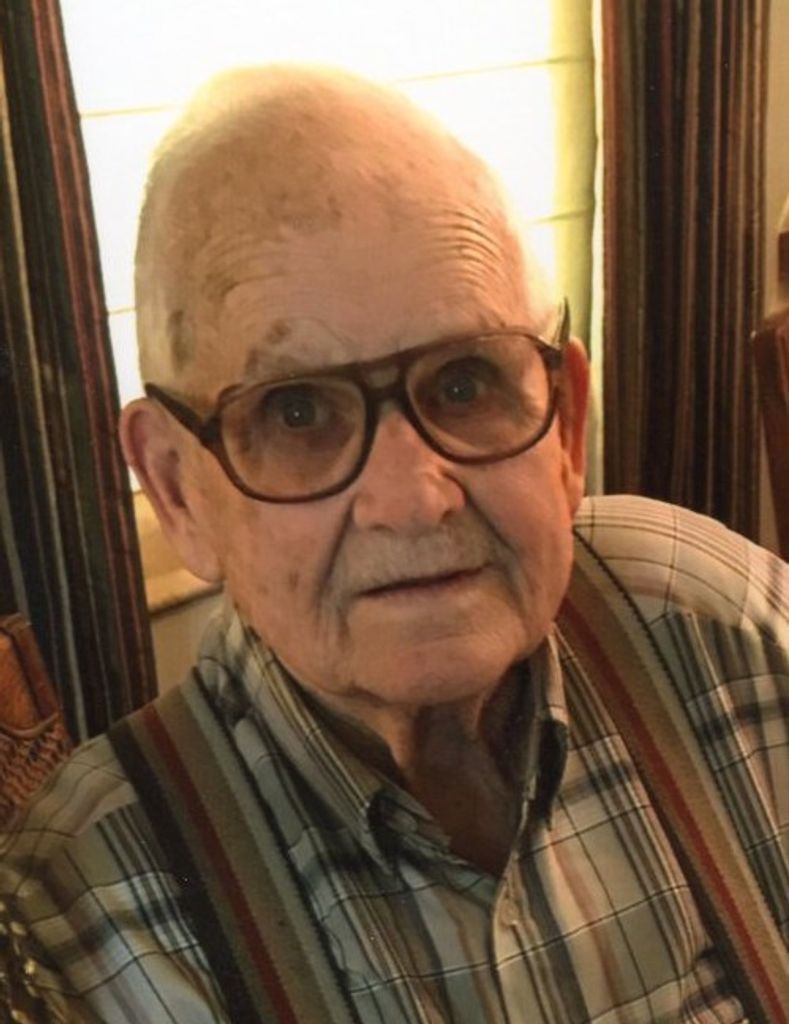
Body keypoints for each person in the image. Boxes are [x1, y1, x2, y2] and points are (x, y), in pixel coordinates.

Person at [1, 65, 787, 1024]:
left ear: (567, 425)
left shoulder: (716, 626)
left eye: (464, 383)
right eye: (297, 412)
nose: (412, 499)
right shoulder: (86, 927)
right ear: (177, 490)